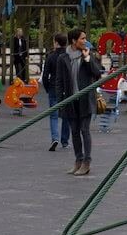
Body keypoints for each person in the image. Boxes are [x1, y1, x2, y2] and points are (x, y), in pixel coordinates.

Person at [59, 29, 101, 175]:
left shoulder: (88, 56)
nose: (85, 41)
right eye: (82, 38)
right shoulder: (63, 58)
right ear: (73, 41)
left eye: (85, 38)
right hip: (71, 100)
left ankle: (87, 162)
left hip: (85, 99)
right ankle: (78, 160)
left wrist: (88, 59)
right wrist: (60, 103)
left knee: (84, 130)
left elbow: (97, 73)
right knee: (75, 131)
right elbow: (59, 82)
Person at [40, 33, 70, 153]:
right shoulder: (69, 56)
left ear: (56, 42)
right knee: (66, 115)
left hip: (53, 87)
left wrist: (47, 88)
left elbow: (45, 75)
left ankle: (55, 138)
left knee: (53, 115)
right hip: (67, 88)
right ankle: (65, 140)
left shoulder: (51, 57)